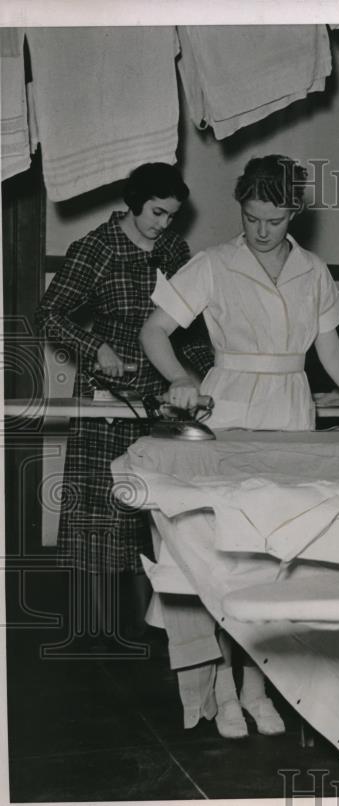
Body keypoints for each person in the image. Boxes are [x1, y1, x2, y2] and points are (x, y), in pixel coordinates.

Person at [139, 154, 339, 739]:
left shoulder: (313, 271)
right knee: (227, 554)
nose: (261, 231)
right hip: (228, 408)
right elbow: (153, 331)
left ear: (295, 211)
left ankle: (259, 684)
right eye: (252, 217)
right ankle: (224, 688)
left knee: (280, 554)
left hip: (291, 409)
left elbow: (332, 355)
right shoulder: (213, 264)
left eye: (274, 218)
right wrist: (181, 381)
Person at [36, 162, 209, 649]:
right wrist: (96, 349)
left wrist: (200, 376)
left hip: (163, 399)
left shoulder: (175, 251)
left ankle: (152, 624)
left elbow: (190, 329)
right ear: (134, 203)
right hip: (108, 396)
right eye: (157, 212)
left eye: (172, 216)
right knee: (102, 510)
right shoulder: (97, 247)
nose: (163, 224)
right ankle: (97, 631)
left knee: (154, 509)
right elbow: (48, 313)